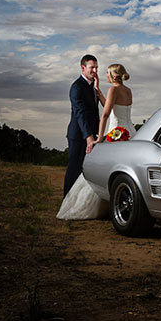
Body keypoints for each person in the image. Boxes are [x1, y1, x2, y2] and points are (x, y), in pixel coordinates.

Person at [57, 63, 136, 220]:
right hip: (130, 133)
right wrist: (98, 90)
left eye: (107, 73)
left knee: (99, 170)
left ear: (113, 76)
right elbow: (113, 106)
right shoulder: (128, 91)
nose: (104, 75)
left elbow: (106, 114)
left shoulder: (113, 90)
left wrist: (99, 137)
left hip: (116, 133)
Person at [63, 54, 101, 198]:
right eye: (92, 67)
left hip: (92, 134)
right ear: (83, 67)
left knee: (86, 171)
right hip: (78, 136)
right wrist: (88, 136)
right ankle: (66, 202)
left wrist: (97, 133)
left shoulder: (93, 86)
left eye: (97, 67)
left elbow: (94, 112)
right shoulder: (76, 87)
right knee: (74, 170)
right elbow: (80, 114)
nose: (95, 71)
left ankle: (79, 199)